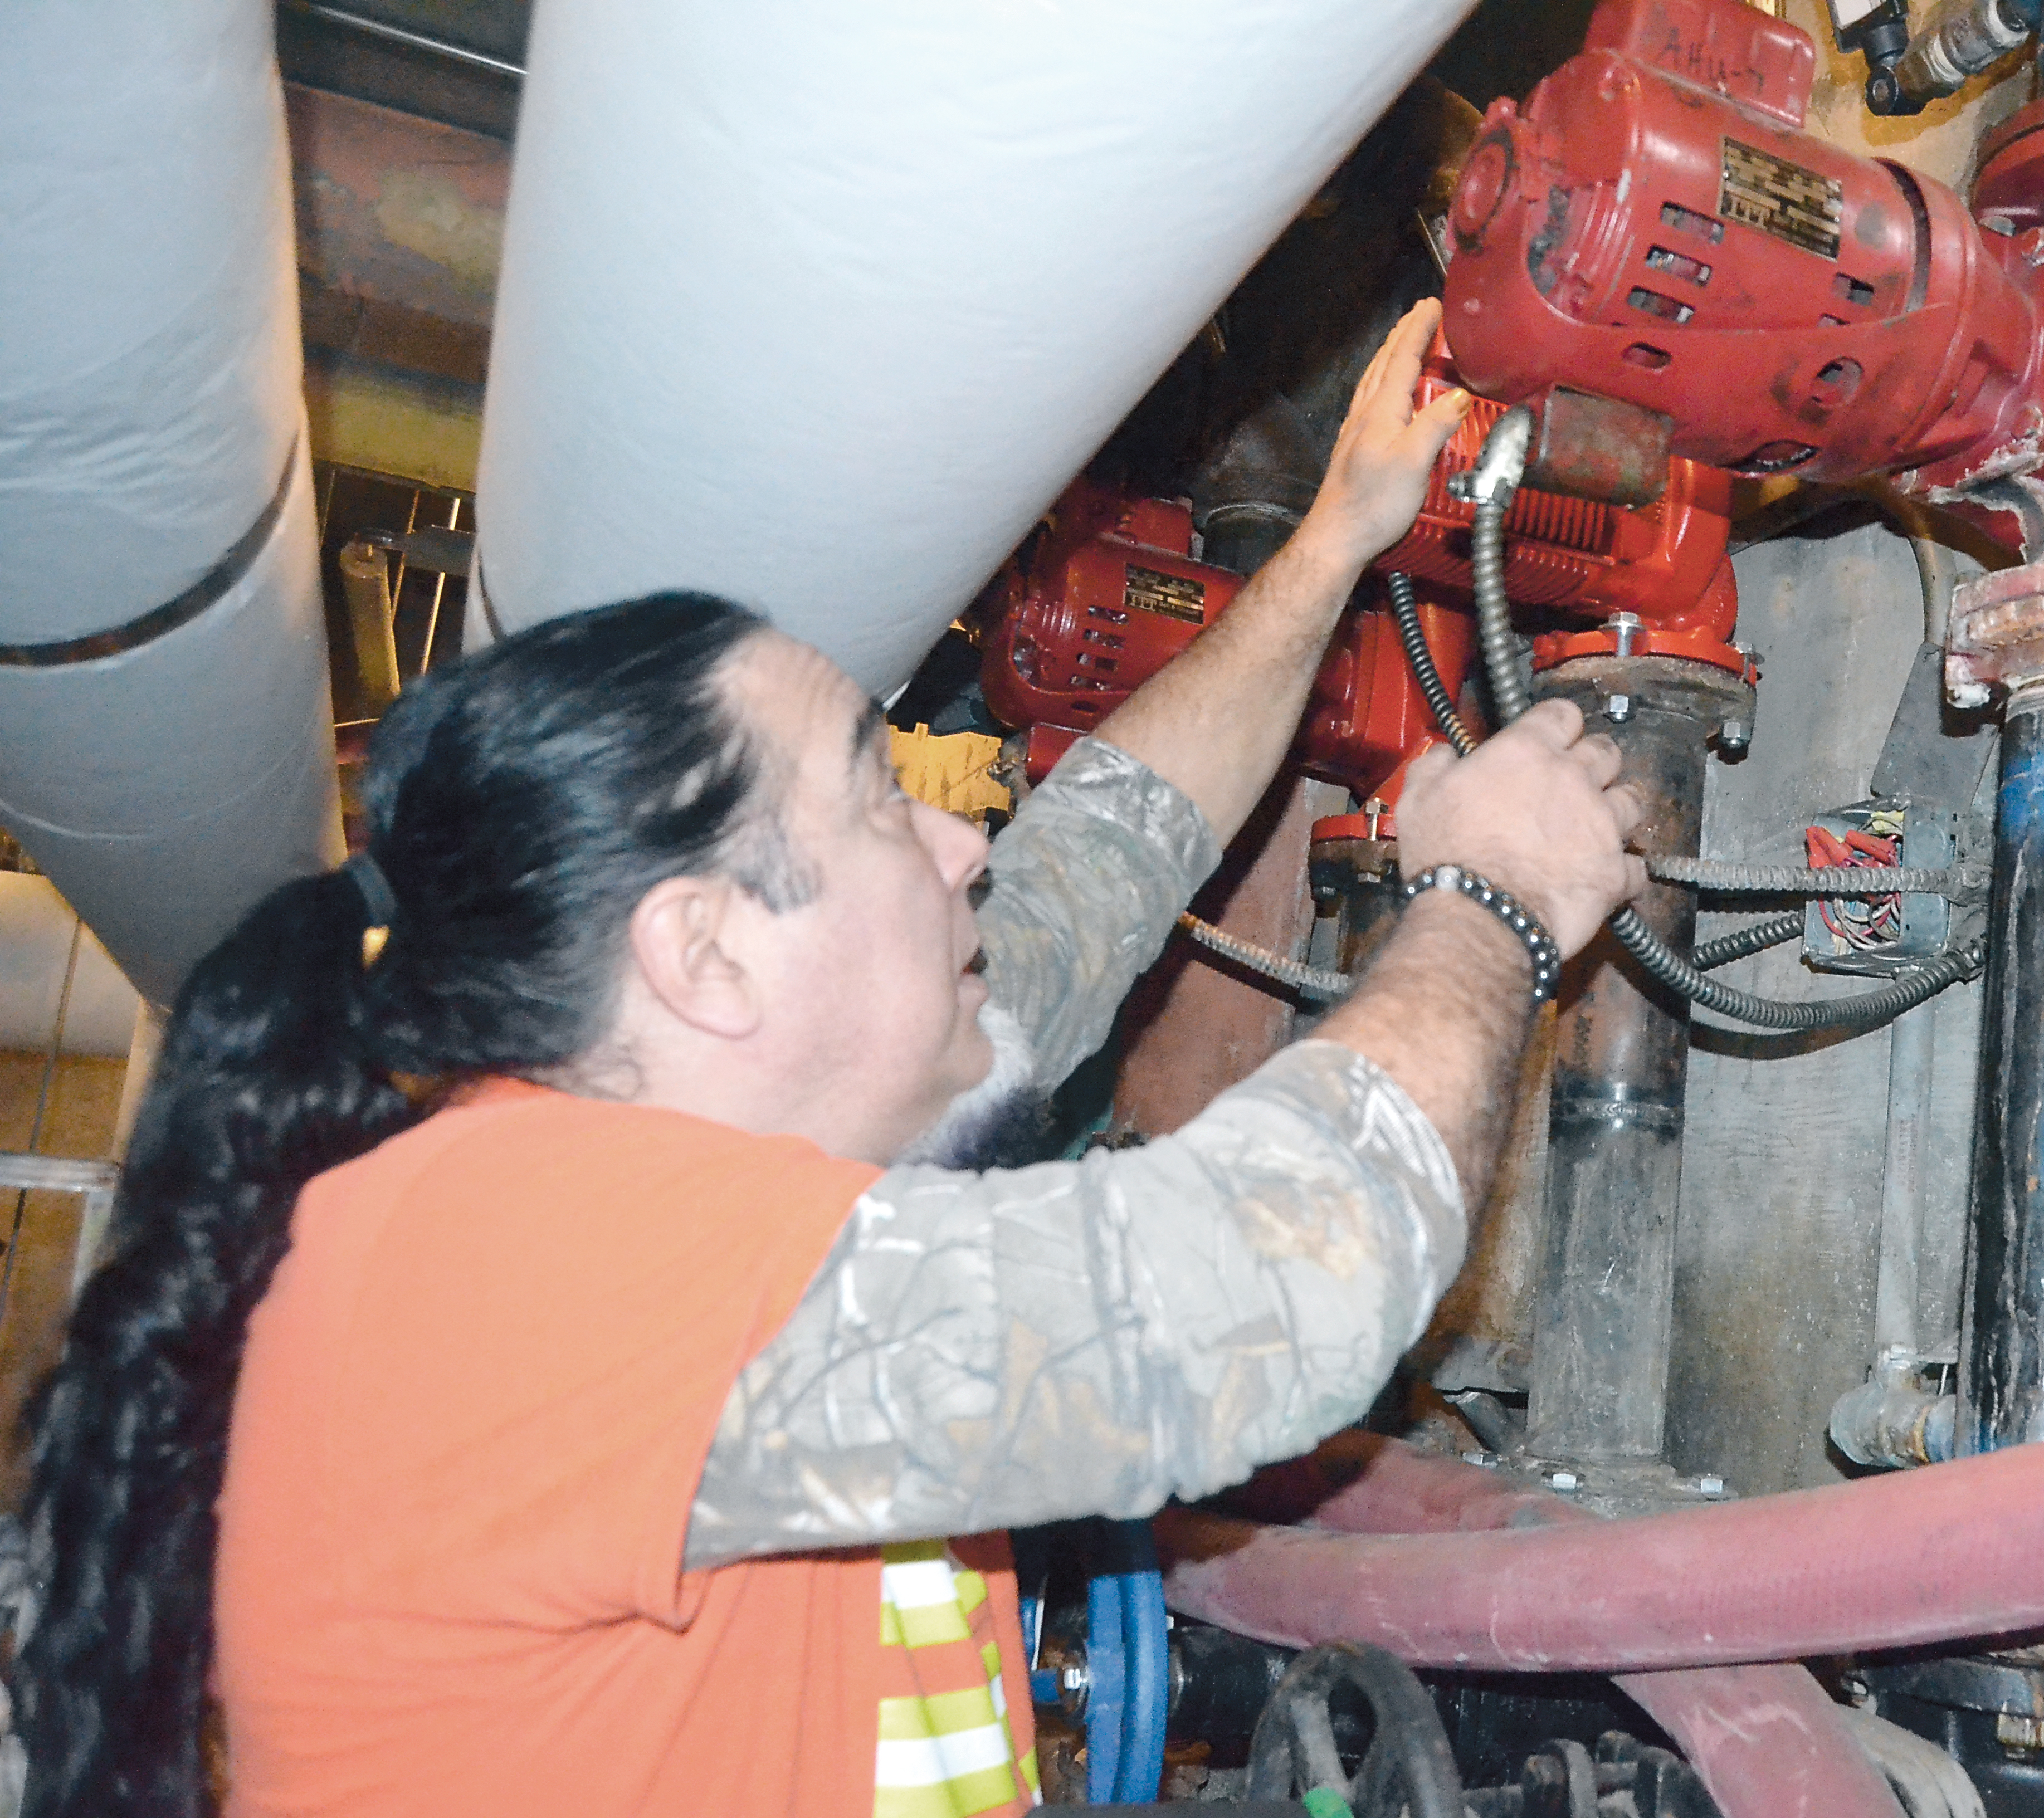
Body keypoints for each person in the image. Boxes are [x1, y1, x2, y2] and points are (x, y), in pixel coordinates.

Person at [7, 300, 1647, 1818]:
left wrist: (1340, 534)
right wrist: (1488, 899)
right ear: (706, 953)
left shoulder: (672, 1178)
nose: (955, 835)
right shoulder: (529, 1270)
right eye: (876, 796)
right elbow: (1271, 1297)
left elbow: (1099, 859)